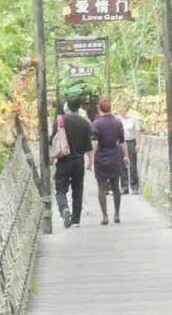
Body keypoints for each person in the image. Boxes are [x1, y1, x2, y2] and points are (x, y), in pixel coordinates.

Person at [50, 97, 93, 228]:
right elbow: (88, 145)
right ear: (79, 107)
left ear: (67, 106)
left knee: (60, 189)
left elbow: (52, 140)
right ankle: (75, 220)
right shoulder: (85, 123)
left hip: (63, 160)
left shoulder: (60, 121)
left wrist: (51, 157)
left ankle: (64, 208)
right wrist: (90, 161)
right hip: (78, 161)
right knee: (78, 190)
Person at [92, 96, 129, 225]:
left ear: (99, 108)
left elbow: (95, 142)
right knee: (115, 186)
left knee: (101, 187)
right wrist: (126, 156)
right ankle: (117, 214)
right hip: (114, 155)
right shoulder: (117, 122)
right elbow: (122, 141)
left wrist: (91, 158)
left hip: (101, 156)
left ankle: (105, 216)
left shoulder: (96, 123)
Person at [117, 100, 141, 195]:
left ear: (125, 108)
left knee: (132, 164)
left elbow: (137, 132)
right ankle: (124, 187)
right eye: (118, 107)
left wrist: (138, 144)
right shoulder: (117, 119)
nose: (119, 109)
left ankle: (134, 186)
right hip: (120, 143)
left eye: (121, 107)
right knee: (121, 164)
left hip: (131, 142)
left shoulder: (133, 119)